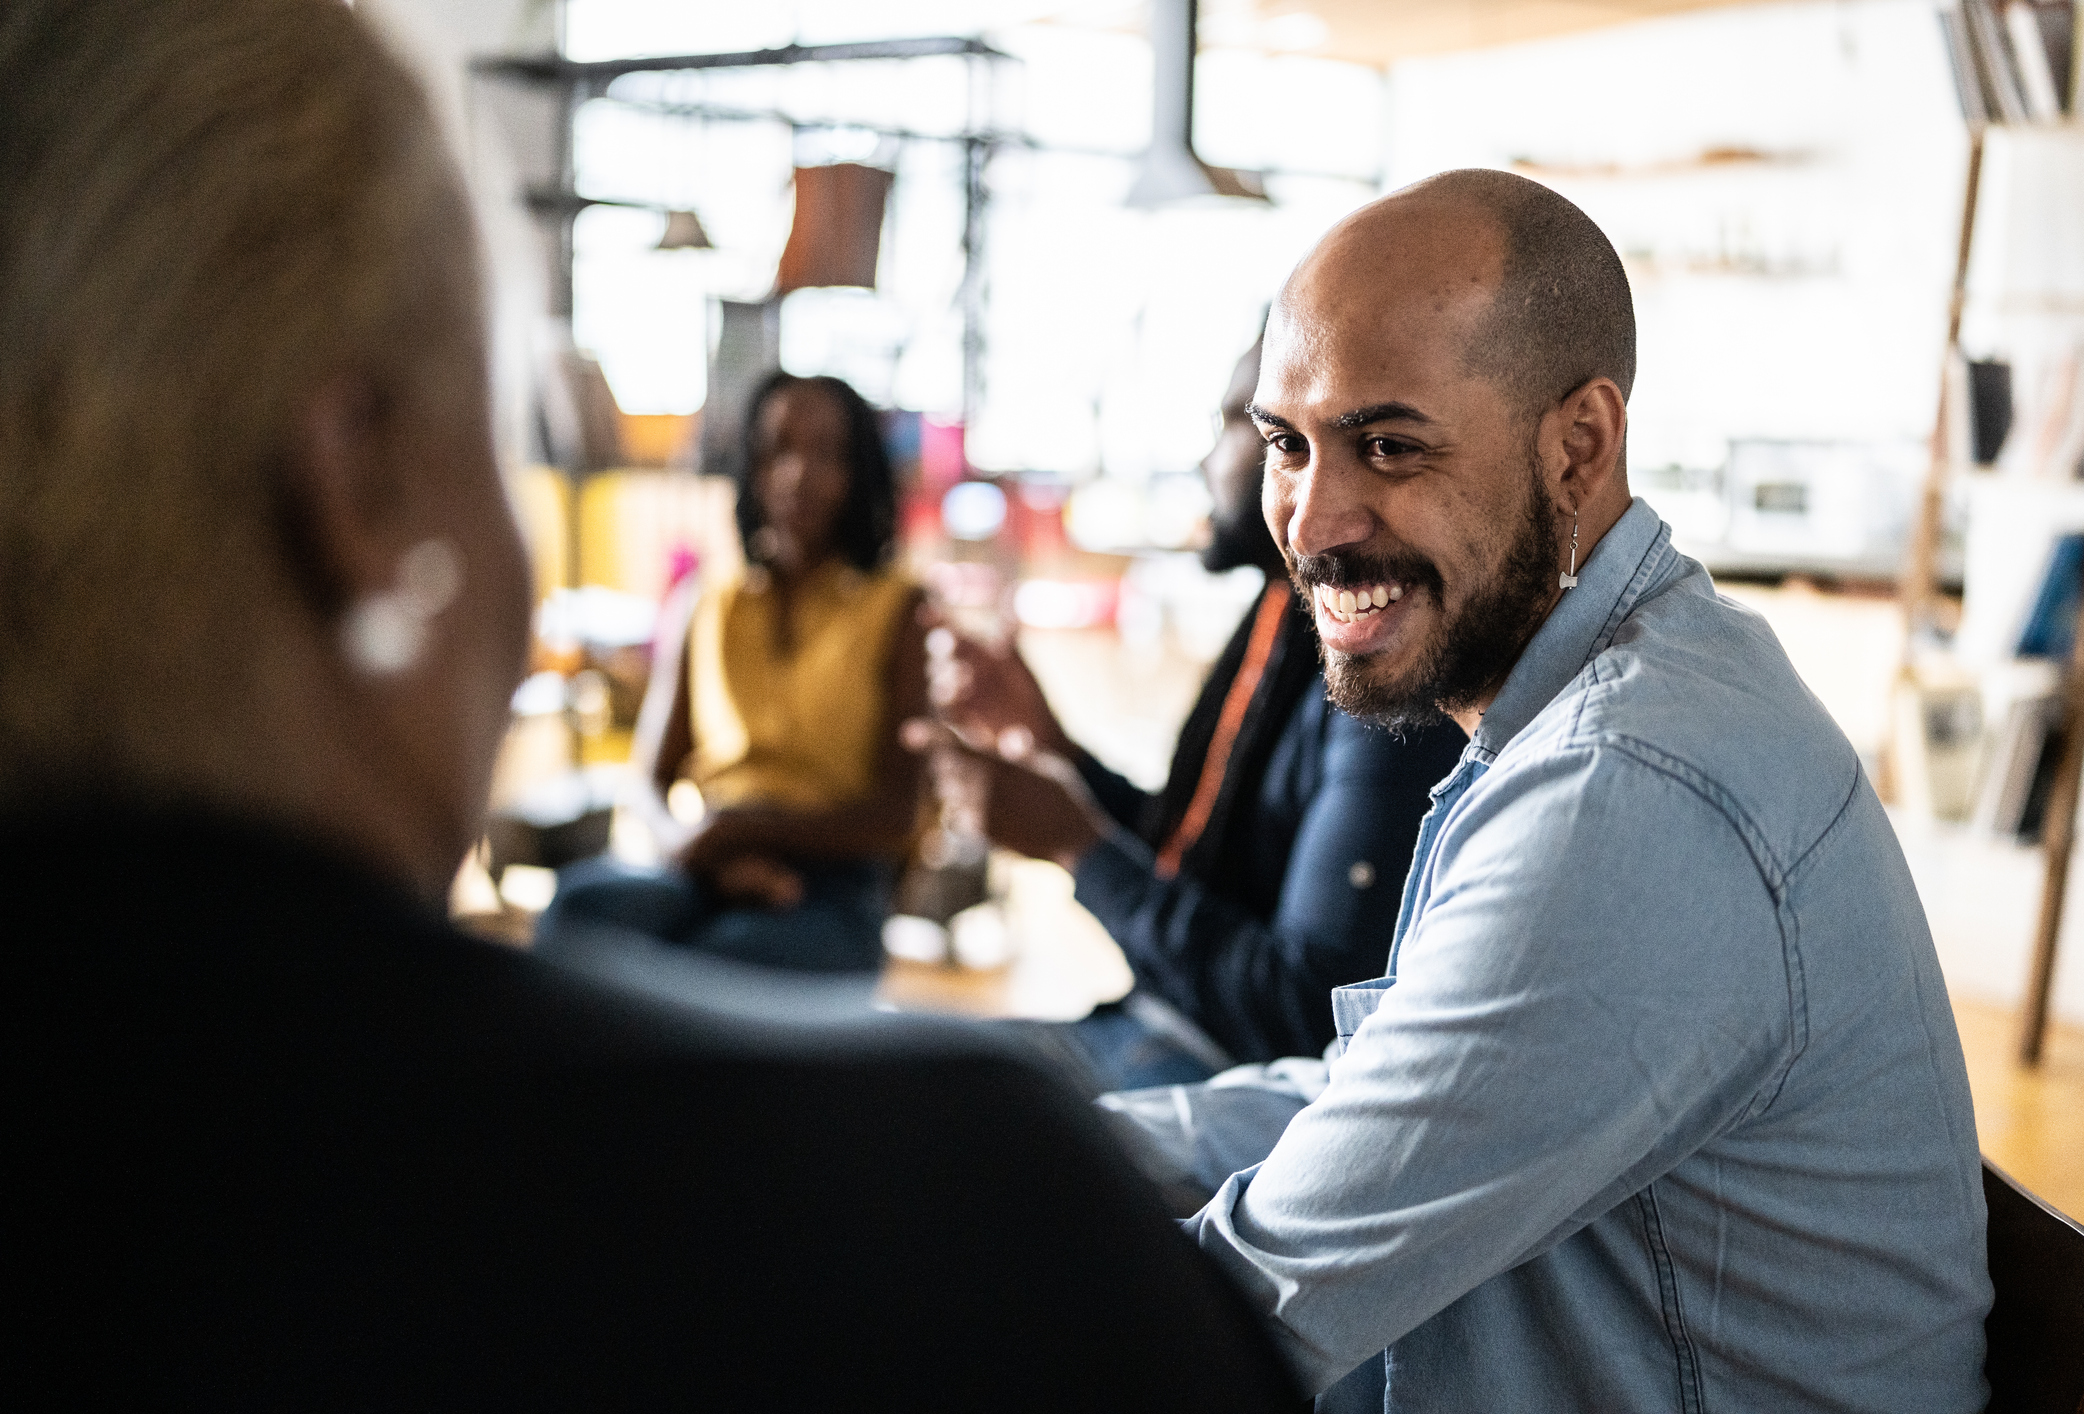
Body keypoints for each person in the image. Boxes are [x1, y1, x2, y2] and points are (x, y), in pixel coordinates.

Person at [0, 2, 1308, 1407]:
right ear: (359, 487)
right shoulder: (959, 1220)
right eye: (501, 433)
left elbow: (879, 804)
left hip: (816, 902)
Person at [961, 172, 1995, 1410]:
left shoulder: (1625, 792)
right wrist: (1038, 1155)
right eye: (1290, 443)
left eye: (1389, 446)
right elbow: (1382, 1094)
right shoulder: (1606, 689)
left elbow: (1242, 1317)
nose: (1315, 521)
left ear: (1579, 446)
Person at [930, 341, 1463, 1091]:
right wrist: (1049, 745)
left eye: (1241, 427)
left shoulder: (1386, 676)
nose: (1209, 459)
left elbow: (1301, 1011)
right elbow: (1200, 861)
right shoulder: (1282, 614)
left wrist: (1075, 846)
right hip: (1156, 1026)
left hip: (1229, 1091)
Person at [538, 371, 925, 974]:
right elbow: (645, 783)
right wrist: (698, 850)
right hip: (707, 865)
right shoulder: (706, 602)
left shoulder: (901, 610)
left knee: (718, 966)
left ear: (859, 472)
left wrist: (745, 832)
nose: (798, 473)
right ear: (752, 465)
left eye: (827, 454)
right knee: (576, 914)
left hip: (833, 885)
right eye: (779, 450)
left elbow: (897, 816)